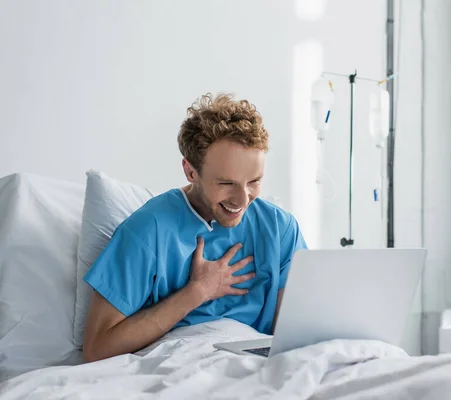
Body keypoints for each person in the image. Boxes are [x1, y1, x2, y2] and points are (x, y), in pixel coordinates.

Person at [82, 93, 307, 362]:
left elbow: (298, 337)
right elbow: (98, 349)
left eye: (254, 181)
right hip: (181, 360)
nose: (242, 199)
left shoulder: (280, 229)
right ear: (190, 172)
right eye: (226, 184)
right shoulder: (148, 231)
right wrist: (198, 291)